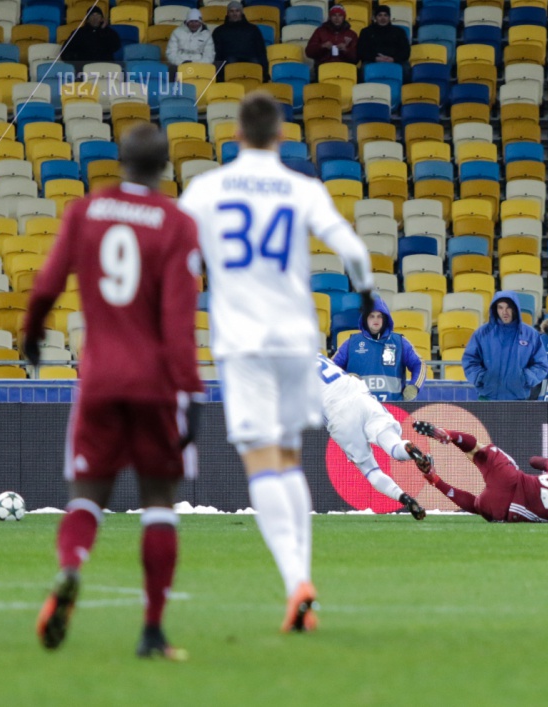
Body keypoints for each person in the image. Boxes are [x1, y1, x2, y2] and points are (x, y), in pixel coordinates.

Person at [179, 93, 374, 633]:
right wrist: (365, 296)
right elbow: (355, 253)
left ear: (236, 135)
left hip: (241, 341)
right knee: (289, 457)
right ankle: (303, 579)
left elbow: (178, 258)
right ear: (281, 136)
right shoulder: (301, 187)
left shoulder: (206, 189)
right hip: (294, 339)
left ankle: (294, 581)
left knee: (261, 460)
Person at [26, 123, 203, 660]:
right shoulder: (177, 223)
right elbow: (179, 321)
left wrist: (32, 335)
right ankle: (152, 631)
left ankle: (71, 566)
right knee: (159, 503)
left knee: (85, 495)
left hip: (99, 380)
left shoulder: (86, 211)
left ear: (119, 161)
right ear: (165, 167)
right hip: (156, 385)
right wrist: (192, 392)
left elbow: (46, 284)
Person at [409, 421, 548, 523]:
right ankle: (434, 479)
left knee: (480, 450)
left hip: (511, 479)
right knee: (478, 506)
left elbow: (534, 461)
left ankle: (449, 435)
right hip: (509, 510)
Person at [317, 353, 425, 519]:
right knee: (394, 444)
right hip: (360, 396)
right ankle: (407, 449)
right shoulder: (314, 353)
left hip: (338, 414)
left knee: (370, 469)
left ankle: (405, 498)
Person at [331, 297, 425, 402]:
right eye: (372, 316)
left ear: (385, 319)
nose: (375, 320)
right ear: (365, 319)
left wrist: (415, 386)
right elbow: (331, 368)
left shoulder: (400, 341)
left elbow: (418, 364)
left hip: (393, 408)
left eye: (379, 316)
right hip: (359, 407)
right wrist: (345, 379)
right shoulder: (351, 342)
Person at [462, 291, 548, 401]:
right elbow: (470, 360)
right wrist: (481, 377)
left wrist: (525, 378)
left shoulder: (530, 334)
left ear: (515, 308)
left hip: (519, 399)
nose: (504, 312)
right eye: (500, 308)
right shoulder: (482, 333)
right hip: (487, 398)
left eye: (508, 307)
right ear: (495, 309)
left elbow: (541, 364)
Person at [212, 2, 269, 77]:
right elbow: (217, 53)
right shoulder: (219, 31)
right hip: (229, 62)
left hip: (251, 60)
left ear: (241, 13)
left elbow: (261, 51)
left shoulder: (253, 29)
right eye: (231, 11)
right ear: (228, 13)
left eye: (237, 11)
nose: (234, 14)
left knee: (256, 63)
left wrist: (265, 72)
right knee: (230, 61)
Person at [357, 5, 410, 77]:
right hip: (372, 60)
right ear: (375, 17)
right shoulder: (366, 32)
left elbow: (406, 51)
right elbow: (361, 51)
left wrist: (393, 59)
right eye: (380, 15)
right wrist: (375, 58)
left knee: (406, 69)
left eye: (385, 15)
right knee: (364, 69)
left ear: (389, 17)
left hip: (395, 60)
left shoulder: (399, 32)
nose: (383, 18)